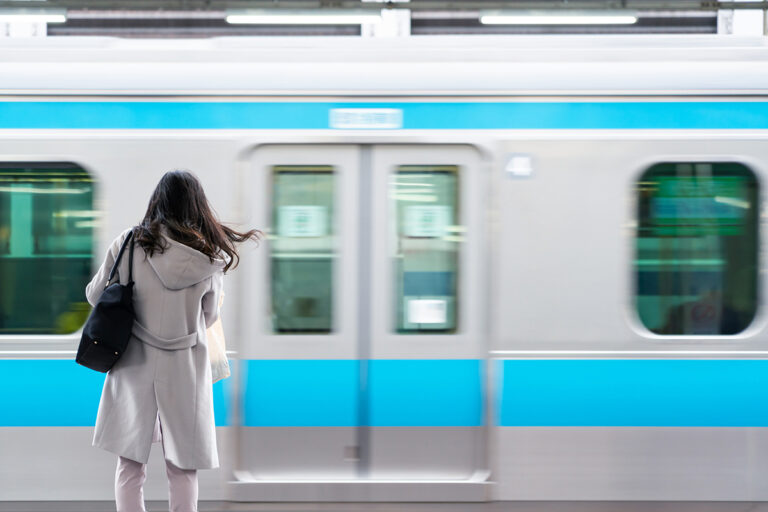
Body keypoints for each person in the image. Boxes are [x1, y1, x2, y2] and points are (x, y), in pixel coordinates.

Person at [85, 170, 260, 512]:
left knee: (130, 465)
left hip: (134, 362)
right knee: (182, 467)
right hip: (185, 367)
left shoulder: (128, 243)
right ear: (197, 206)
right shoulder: (208, 257)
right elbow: (208, 317)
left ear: (157, 202)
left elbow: (95, 295)